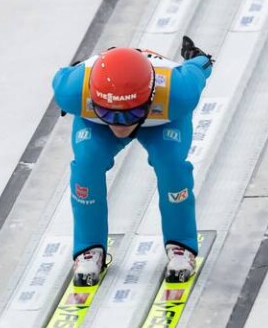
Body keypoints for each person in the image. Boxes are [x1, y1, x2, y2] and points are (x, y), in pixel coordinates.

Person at [52, 35, 214, 286]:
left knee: (171, 165)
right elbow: (66, 74)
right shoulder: (72, 91)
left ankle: (182, 245)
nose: (120, 126)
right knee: (86, 165)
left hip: (161, 120)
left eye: (131, 114)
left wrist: (198, 57)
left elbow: (199, 67)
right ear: (91, 98)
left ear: (151, 97)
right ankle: (89, 247)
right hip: (135, 118)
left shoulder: (178, 92)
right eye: (109, 113)